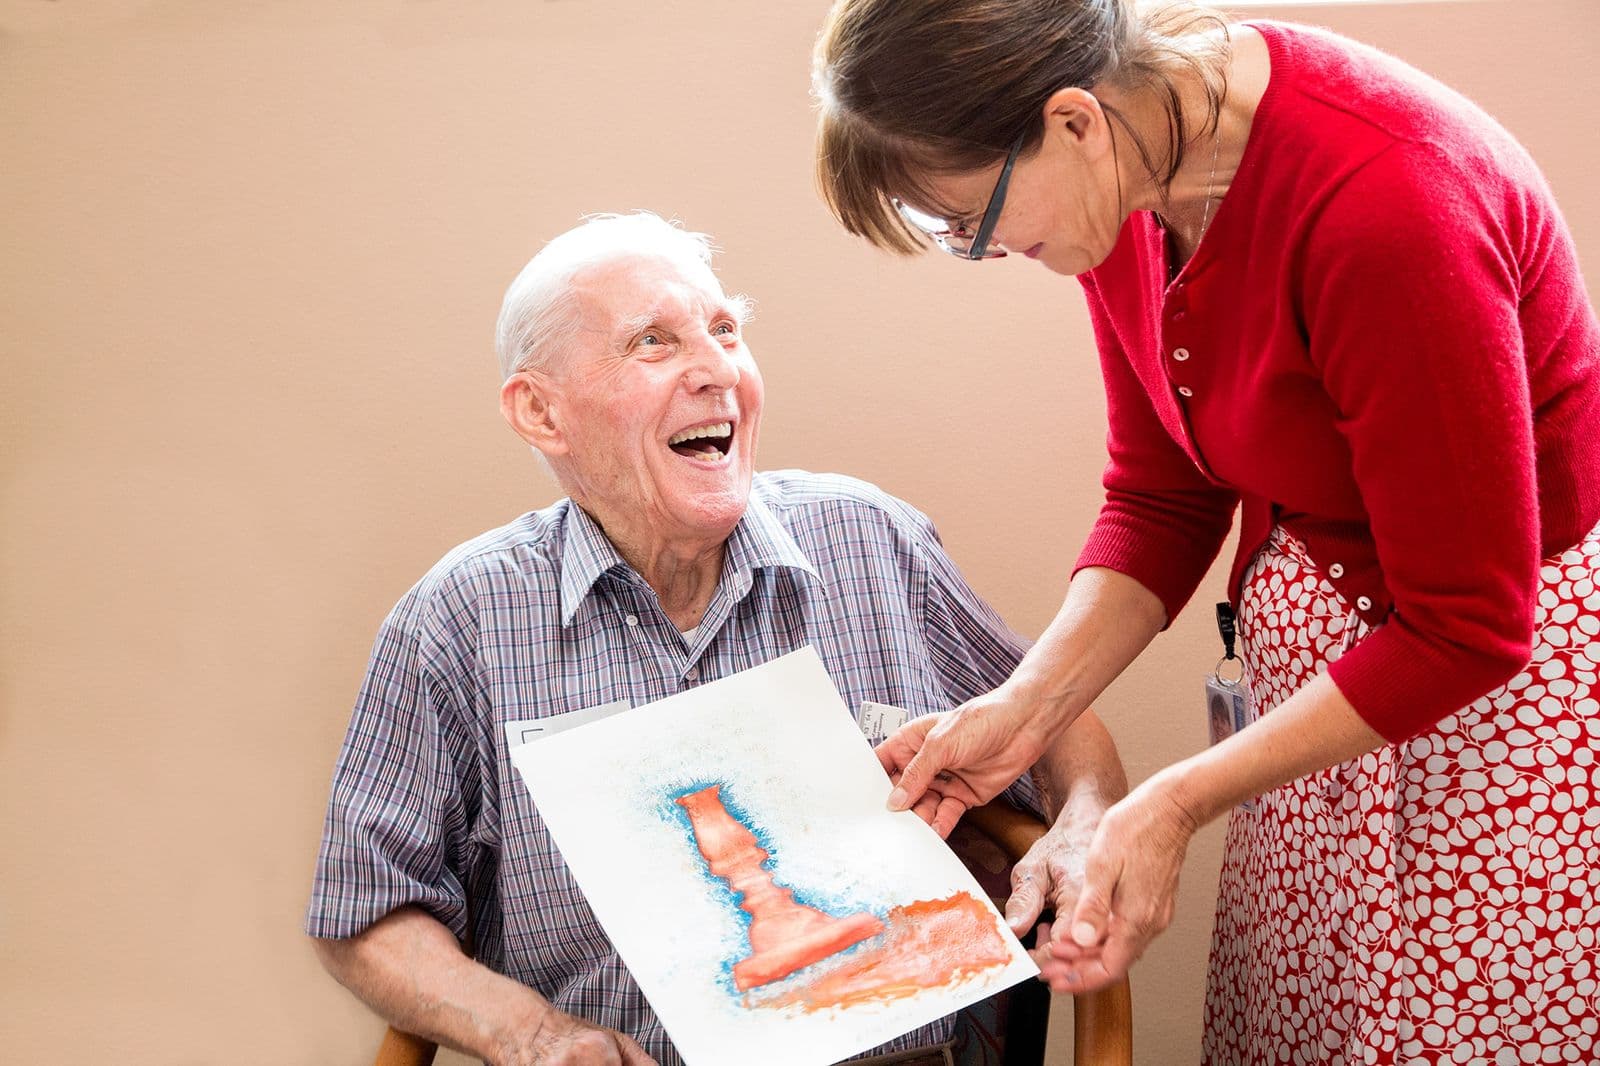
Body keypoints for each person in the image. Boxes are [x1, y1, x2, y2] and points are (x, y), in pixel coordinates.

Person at [811, 2, 1600, 1061]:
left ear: (1072, 121)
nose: (986, 250)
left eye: (970, 219)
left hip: (1489, 724)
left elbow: (1467, 624)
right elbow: (1162, 492)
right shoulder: (1133, 166)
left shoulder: (1390, 205)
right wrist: (1025, 710)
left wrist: (1174, 800)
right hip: (1320, 710)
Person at [306, 212, 1126, 1066]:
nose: (716, 370)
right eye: (654, 342)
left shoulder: (869, 539)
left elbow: (1060, 721)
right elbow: (364, 914)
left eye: (726, 331)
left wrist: (1086, 821)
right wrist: (532, 1035)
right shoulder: (458, 621)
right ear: (541, 412)